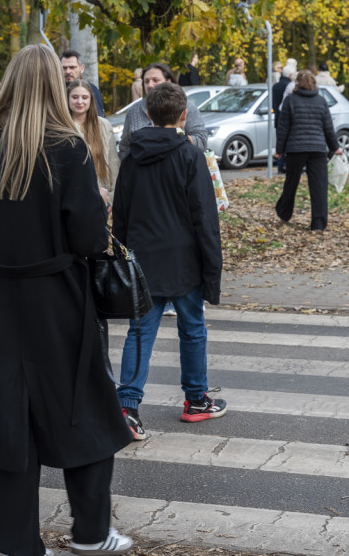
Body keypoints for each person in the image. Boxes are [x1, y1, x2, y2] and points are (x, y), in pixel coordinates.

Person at [0, 44, 133, 556]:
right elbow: (86, 238)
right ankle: (89, 531)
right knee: (85, 410)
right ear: (56, 89)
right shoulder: (68, 147)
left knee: (7, 420)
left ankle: (17, 543)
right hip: (57, 299)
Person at [112, 82, 224, 440]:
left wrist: (124, 254)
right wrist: (212, 267)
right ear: (183, 115)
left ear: (147, 113)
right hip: (184, 258)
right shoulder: (191, 156)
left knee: (140, 332)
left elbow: (122, 212)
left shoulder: (132, 156)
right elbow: (204, 216)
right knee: (192, 328)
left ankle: (128, 408)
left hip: (143, 257)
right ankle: (196, 399)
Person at [273, 70, 344, 231]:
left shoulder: (290, 101)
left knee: (291, 182)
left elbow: (283, 128)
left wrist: (279, 150)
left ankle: (284, 212)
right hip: (318, 149)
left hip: (295, 149)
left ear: (297, 84)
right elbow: (328, 128)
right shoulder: (321, 101)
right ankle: (318, 223)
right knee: (319, 186)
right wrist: (335, 147)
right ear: (314, 84)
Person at [118, 62, 207, 159]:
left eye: (155, 80)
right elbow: (124, 147)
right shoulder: (133, 111)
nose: (150, 85)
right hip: (142, 171)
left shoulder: (186, 106)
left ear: (168, 82)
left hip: (178, 169)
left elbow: (202, 141)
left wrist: (177, 138)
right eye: (146, 81)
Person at [68, 79, 119, 199]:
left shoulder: (104, 125)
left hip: (101, 195)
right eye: (75, 97)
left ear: (91, 100)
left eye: (84, 97)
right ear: (67, 98)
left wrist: (112, 197)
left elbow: (113, 162)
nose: (80, 101)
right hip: (73, 196)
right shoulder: (62, 126)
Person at [60, 49, 105, 116]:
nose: (68, 71)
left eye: (72, 67)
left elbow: (99, 119)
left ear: (82, 68)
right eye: (64, 68)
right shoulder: (55, 90)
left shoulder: (91, 90)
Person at [271, 59, 296, 175]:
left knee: (280, 142)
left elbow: (273, 104)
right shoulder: (290, 87)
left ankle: (280, 166)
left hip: (277, 118)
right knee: (289, 143)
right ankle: (287, 165)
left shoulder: (275, 87)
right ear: (291, 75)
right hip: (288, 119)